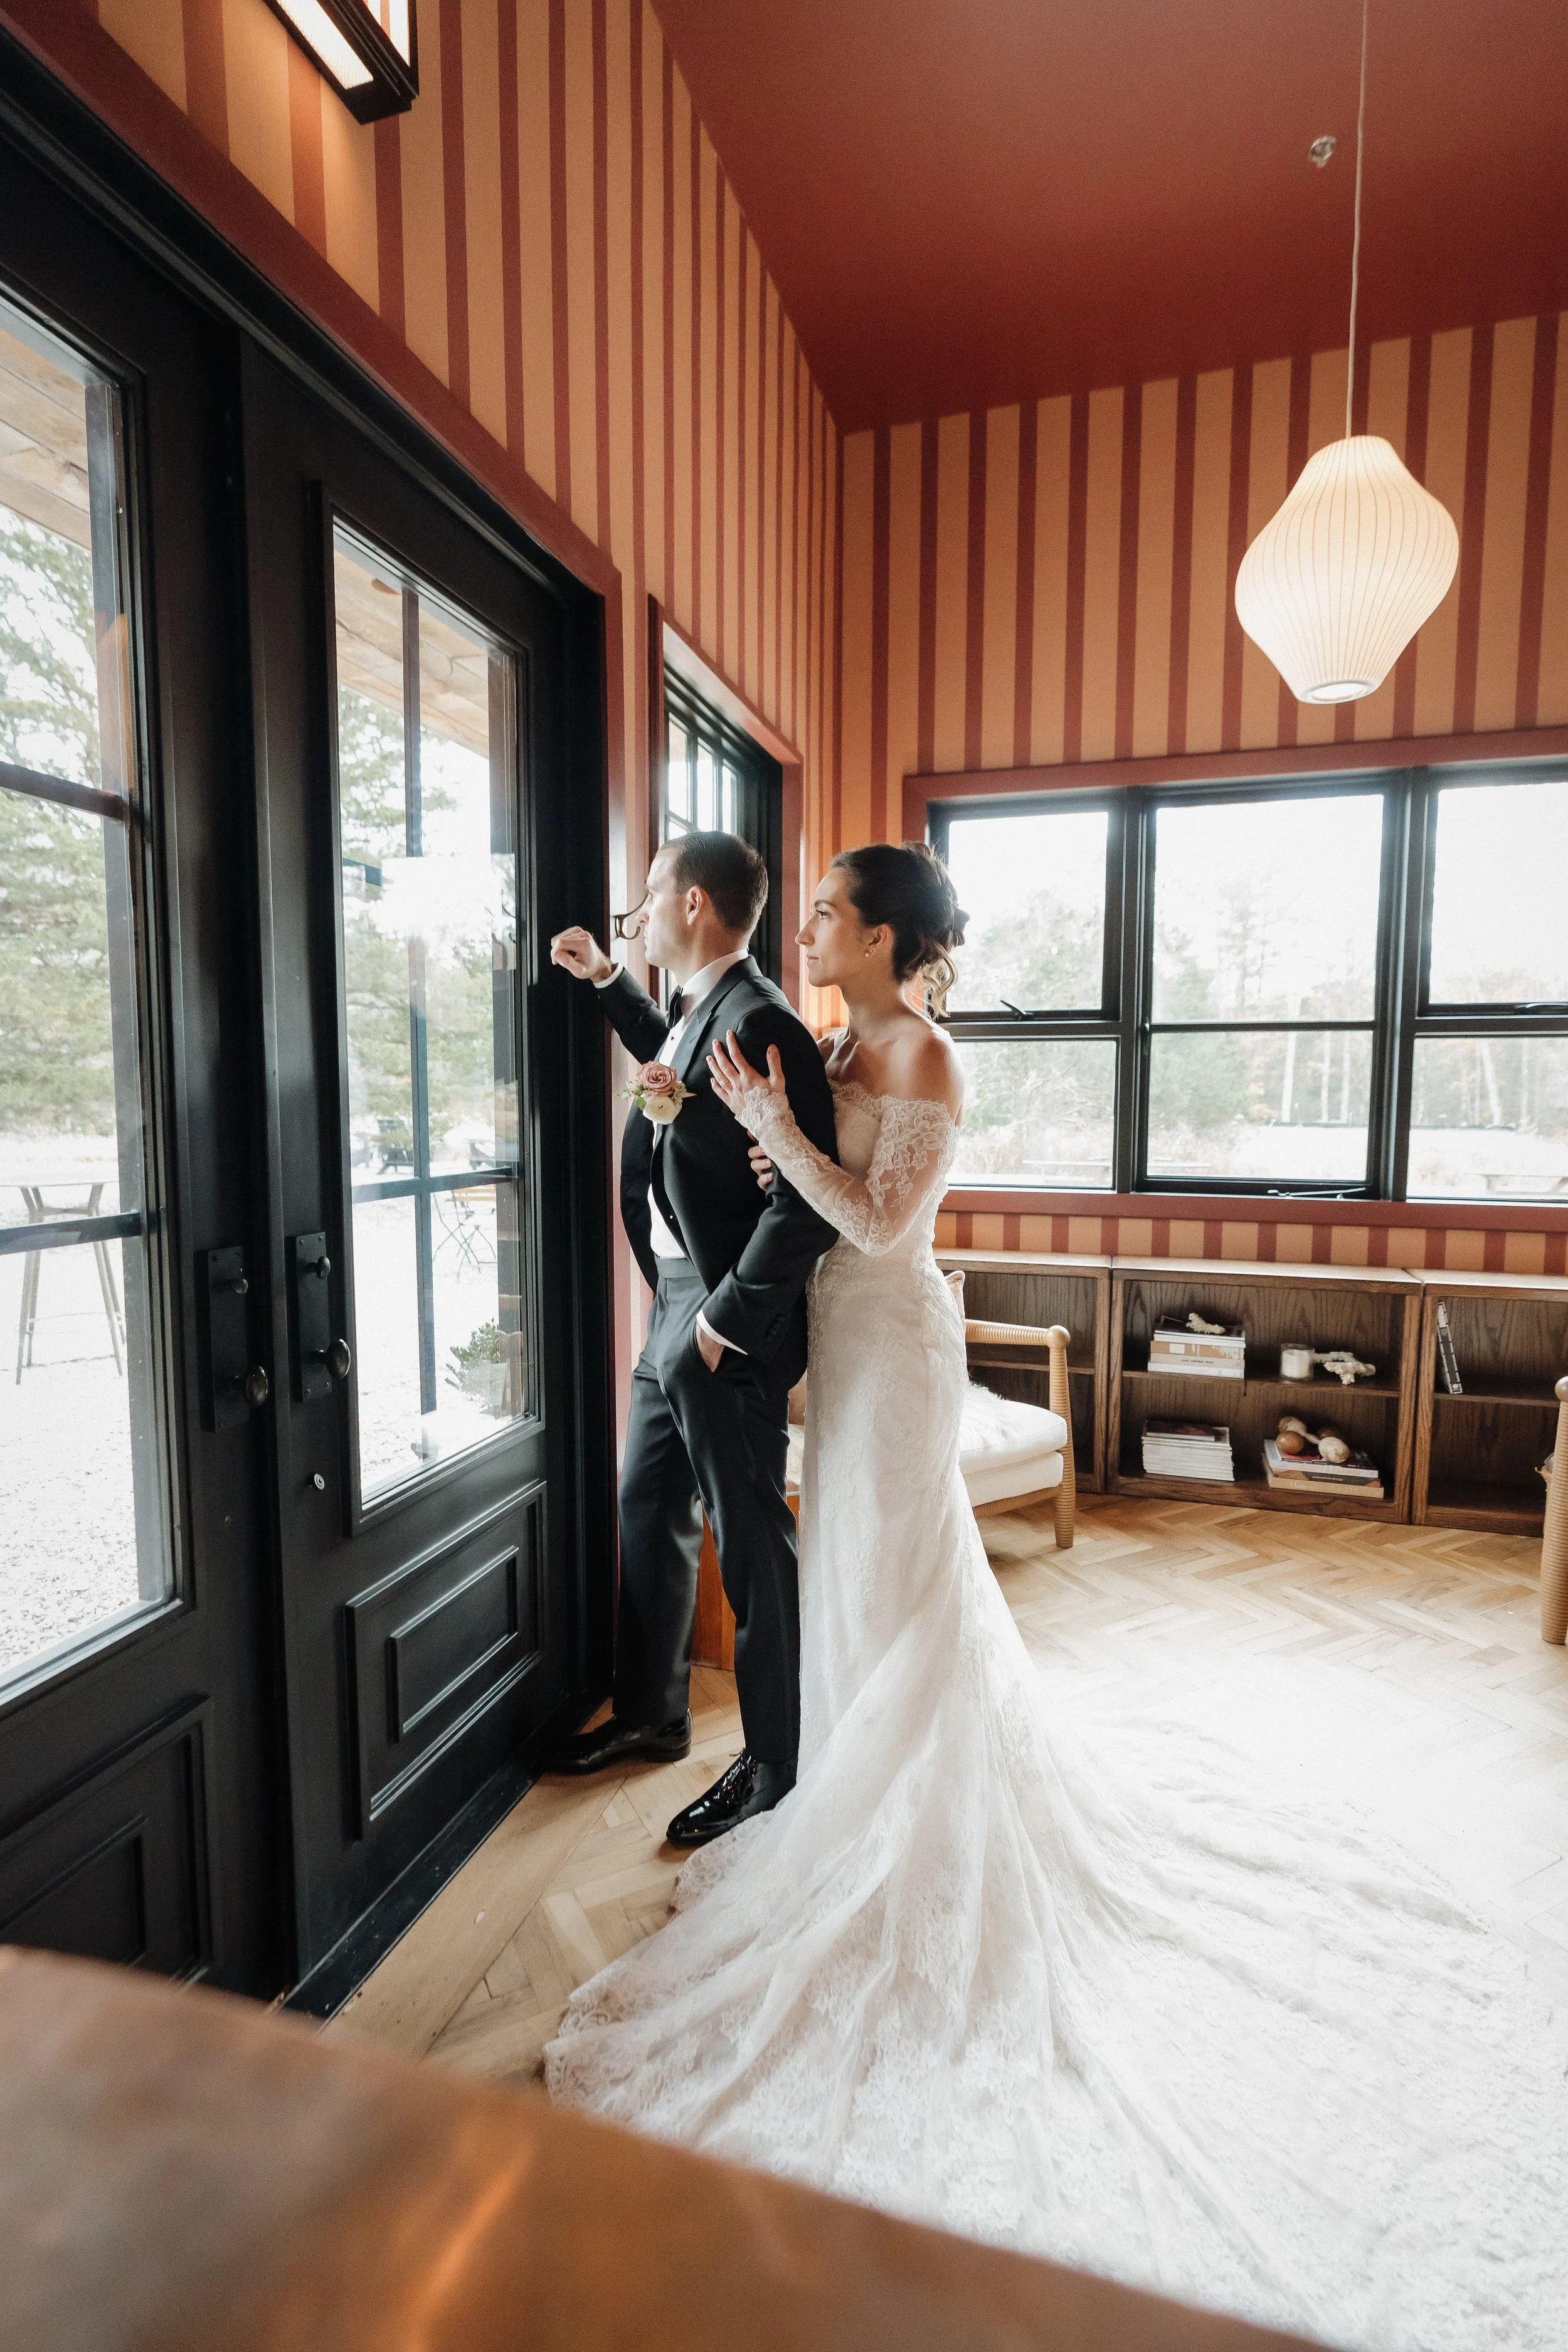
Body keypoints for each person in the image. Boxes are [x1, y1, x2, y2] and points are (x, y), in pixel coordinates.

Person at [546, 839, 1568, 2352]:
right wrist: (758, 1130)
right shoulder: (833, 1038)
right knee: (848, 1580)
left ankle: (897, 1817)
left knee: (892, 1573)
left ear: (887, 936)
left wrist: (773, 1128)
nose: (813, 922)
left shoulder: (925, 1057)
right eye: (808, 906)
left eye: (831, 910)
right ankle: (829, 1785)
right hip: (836, 1345)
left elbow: (879, 1226)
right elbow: (785, 1185)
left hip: (892, 1350)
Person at [548, 831, 839, 1846]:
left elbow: (802, 1202)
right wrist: (605, 982)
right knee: (647, 1502)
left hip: (726, 1320)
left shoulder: (766, 1021)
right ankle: (653, 1714)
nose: (637, 907)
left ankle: (771, 1764)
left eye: (650, 891)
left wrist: (721, 1323)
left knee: (751, 1542)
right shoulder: (697, 1010)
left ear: (696, 904)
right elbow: (676, 1080)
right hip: (674, 1299)